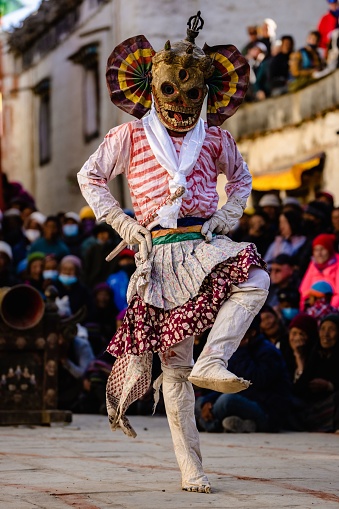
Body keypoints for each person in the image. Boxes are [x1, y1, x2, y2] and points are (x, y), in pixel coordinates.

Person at [77, 12, 269, 494]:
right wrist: (122, 222)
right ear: (152, 88)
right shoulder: (130, 136)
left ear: (207, 93)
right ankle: (192, 469)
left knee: (256, 278)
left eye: (192, 94)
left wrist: (226, 217)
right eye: (171, 92)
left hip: (204, 243)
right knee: (173, 367)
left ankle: (216, 360)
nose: (181, 103)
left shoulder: (217, 138)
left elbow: (242, 179)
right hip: (158, 253)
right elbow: (89, 176)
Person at [195, 317, 292, 433]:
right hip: (246, 400)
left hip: (267, 411)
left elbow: (253, 384)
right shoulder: (236, 350)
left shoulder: (268, 352)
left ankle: (209, 424)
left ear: (252, 333)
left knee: (227, 400)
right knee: (199, 402)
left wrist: (241, 350)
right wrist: (208, 402)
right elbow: (227, 384)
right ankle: (240, 424)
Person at [292, 314, 339, 432]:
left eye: (331, 329)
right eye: (322, 329)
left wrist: (329, 386)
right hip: (313, 407)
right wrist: (299, 358)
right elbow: (299, 389)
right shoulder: (315, 353)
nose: (326, 334)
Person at [299, 233, 339, 309]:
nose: (319, 253)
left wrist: (330, 310)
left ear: (329, 250)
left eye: (323, 249)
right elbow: (303, 291)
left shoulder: (338, 264)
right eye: (316, 250)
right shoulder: (313, 265)